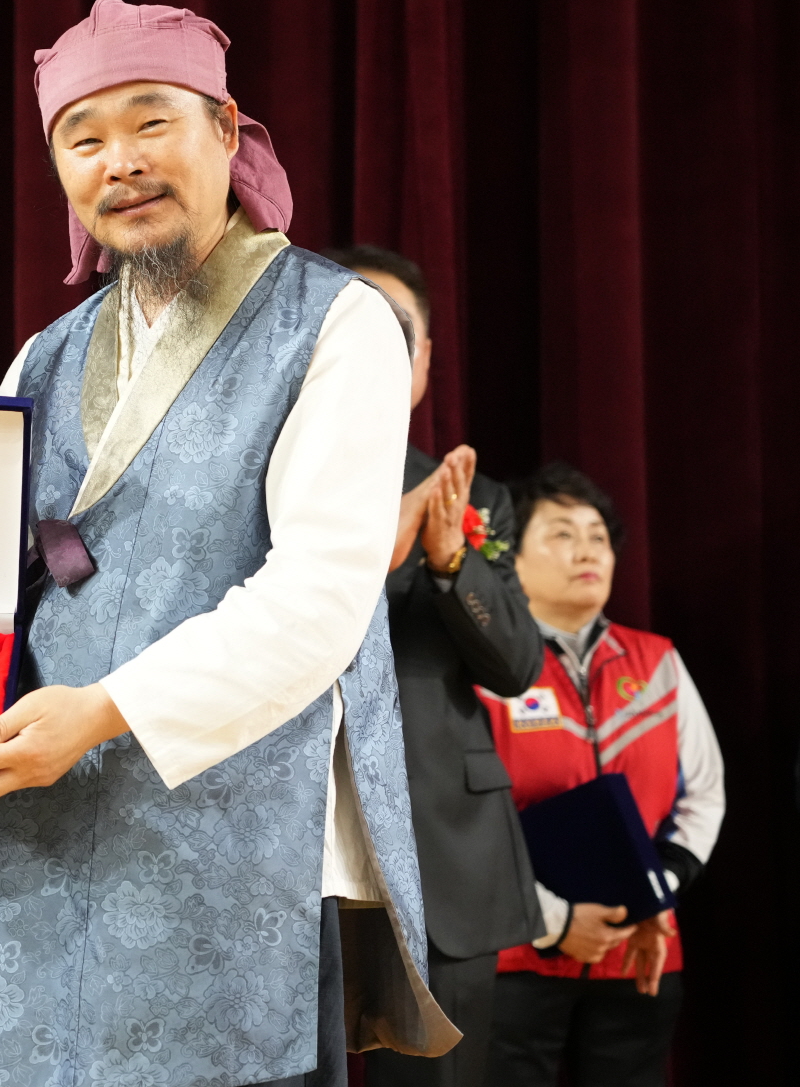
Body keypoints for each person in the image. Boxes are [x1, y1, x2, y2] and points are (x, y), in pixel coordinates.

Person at [0, 0, 458, 1087]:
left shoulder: (335, 320)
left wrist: (106, 712)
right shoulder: (44, 355)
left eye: (150, 122)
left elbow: (319, 601)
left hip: (232, 833)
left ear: (230, 132)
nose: (117, 160)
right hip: (54, 821)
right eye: (82, 138)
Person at [320, 246, 543, 1087]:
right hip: (293, 838)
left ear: (422, 365)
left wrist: (451, 563)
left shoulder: (475, 498)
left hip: (441, 843)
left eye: (394, 335)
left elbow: (518, 665)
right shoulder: (254, 488)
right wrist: (376, 554)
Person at [478, 463, 724, 1087]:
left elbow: (704, 795)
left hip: (641, 949)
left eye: (598, 535)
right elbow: (460, 820)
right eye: (561, 533)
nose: (586, 550)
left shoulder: (657, 661)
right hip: (516, 959)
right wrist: (553, 918)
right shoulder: (486, 671)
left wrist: (656, 888)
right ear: (514, 559)